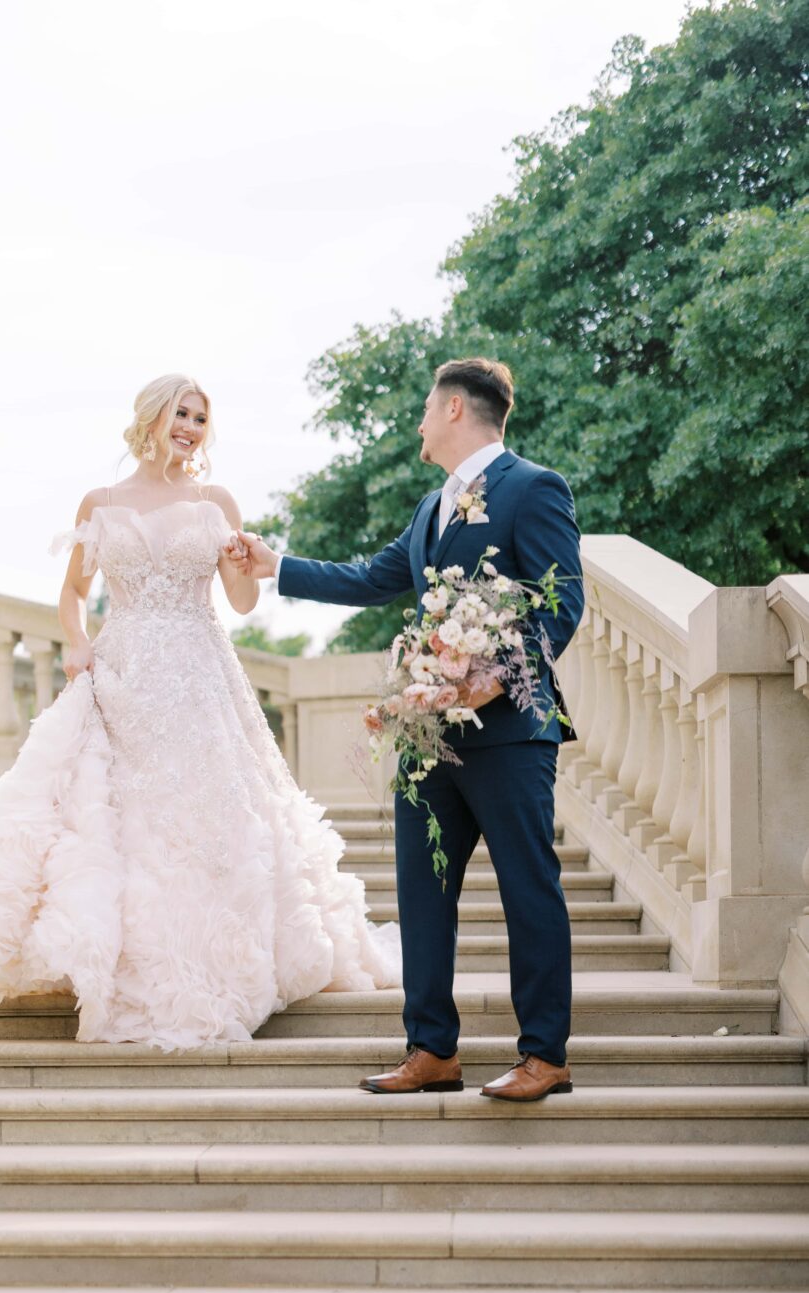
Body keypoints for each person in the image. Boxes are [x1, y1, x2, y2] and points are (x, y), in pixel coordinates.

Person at [0, 374, 400, 1048]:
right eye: (181, 413)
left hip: (198, 677)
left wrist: (242, 562)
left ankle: (219, 960)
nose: (190, 427)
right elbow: (73, 592)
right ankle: (114, 954)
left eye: (201, 419)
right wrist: (79, 644)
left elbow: (240, 603)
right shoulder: (101, 500)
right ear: (152, 416)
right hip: (120, 672)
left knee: (208, 818)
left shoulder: (214, 501)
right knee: (116, 819)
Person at [229, 358, 585, 1101]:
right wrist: (275, 566)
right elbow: (369, 576)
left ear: (454, 408)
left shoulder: (533, 487)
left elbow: (560, 604)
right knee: (422, 895)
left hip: (512, 733)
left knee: (529, 890)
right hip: (429, 740)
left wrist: (489, 676)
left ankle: (543, 1055)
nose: (419, 421)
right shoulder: (430, 509)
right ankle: (431, 1050)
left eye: (426, 407)